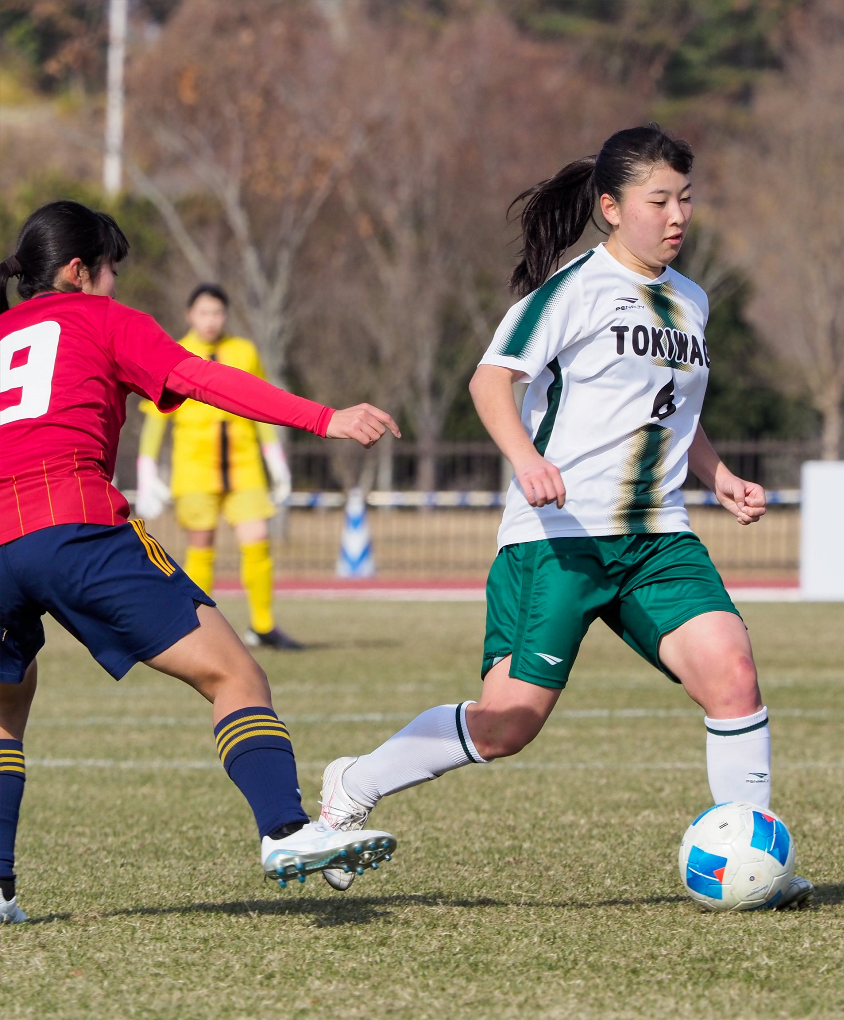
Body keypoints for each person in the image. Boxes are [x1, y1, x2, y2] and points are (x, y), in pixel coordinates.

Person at [314, 124, 812, 907]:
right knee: (507, 724)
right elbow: (489, 383)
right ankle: (355, 782)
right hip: (558, 540)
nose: (678, 214)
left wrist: (716, 475)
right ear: (611, 207)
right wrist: (526, 459)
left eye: (686, 198)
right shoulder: (572, 290)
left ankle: (751, 860)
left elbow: (673, 411)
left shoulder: (692, 301)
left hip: (656, 537)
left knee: (733, 672)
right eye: (660, 200)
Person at [0, 200, 400, 923]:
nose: (115, 285)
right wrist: (325, 417)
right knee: (234, 671)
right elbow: (204, 379)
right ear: (77, 269)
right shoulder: (102, 318)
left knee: (3, 709)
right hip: (72, 519)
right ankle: (285, 829)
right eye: (111, 270)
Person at [137, 283, 301, 649]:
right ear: (189, 315)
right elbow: (155, 417)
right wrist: (147, 469)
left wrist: (276, 461)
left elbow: (262, 405)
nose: (210, 320)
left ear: (226, 315)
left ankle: (263, 625)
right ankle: (198, 626)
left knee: (257, 540)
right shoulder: (174, 350)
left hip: (243, 464)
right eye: (203, 312)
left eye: (217, 312)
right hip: (195, 465)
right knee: (201, 545)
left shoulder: (244, 351)